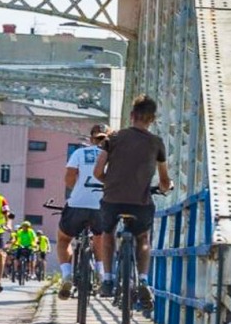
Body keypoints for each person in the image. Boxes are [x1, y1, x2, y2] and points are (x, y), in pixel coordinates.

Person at [95, 94, 171, 309]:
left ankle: (108, 278)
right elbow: (164, 180)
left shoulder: (114, 138)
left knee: (108, 233)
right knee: (143, 237)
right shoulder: (157, 143)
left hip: (112, 200)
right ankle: (144, 280)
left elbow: (98, 171)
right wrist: (164, 187)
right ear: (152, 119)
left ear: (131, 115)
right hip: (140, 202)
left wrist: (109, 182)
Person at [58, 123, 109, 299]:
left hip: (78, 204)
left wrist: (79, 190)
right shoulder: (114, 155)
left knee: (64, 239)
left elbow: (69, 179)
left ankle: (66, 275)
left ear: (91, 138)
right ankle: (101, 273)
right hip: (101, 205)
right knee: (100, 237)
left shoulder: (79, 153)